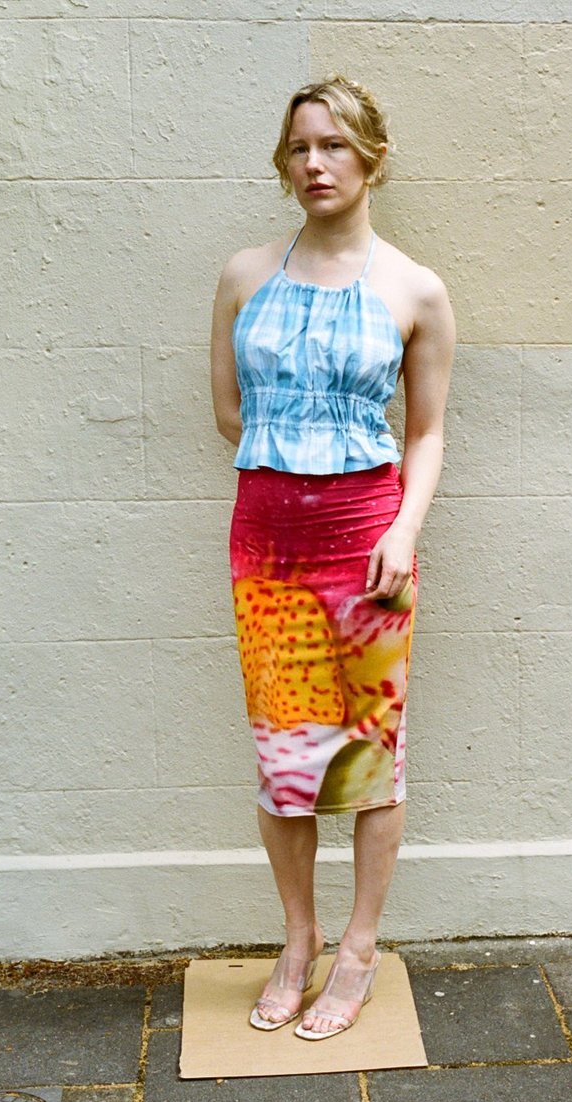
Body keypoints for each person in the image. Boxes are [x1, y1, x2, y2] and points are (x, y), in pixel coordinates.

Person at [210, 75, 455, 1040]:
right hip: (267, 546)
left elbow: (426, 432)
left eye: (335, 145)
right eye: (300, 147)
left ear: (372, 158)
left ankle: (359, 949)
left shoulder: (415, 288)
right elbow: (229, 413)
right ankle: (298, 940)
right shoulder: (243, 275)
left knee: (369, 758)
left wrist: (404, 528)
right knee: (283, 758)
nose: (315, 163)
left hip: (369, 546)